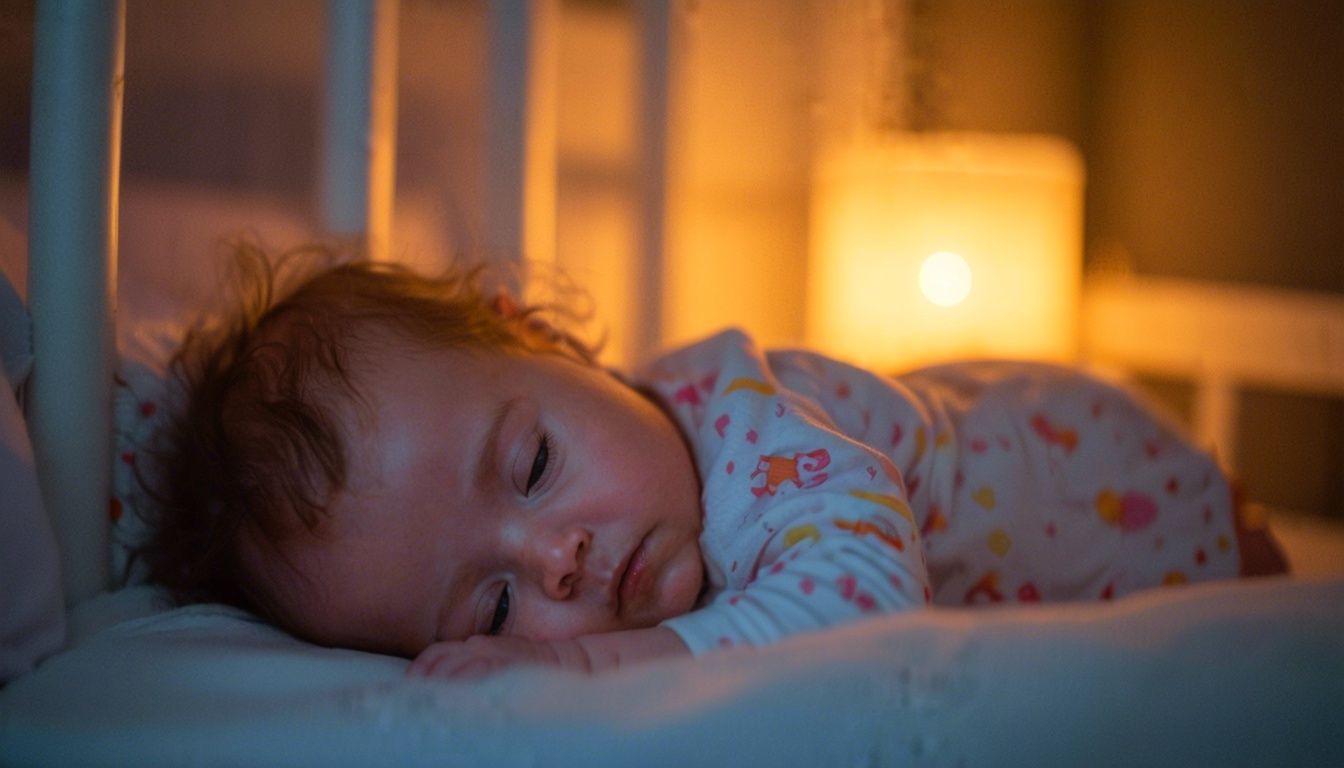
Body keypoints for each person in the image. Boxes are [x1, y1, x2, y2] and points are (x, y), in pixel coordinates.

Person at [138, 244, 1284, 680]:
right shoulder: (640, 501)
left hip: (1146, 503)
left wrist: (586, 669)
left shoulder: (755, 437)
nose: (560, 560)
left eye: (534, 462)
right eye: (491, 606)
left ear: (545, 338)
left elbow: (866, 612)